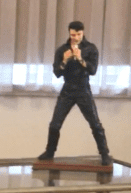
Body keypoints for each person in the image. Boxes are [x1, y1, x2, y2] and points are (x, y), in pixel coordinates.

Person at [38, 21, 111, 165]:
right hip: (67, 89)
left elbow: (93, 70)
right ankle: (50, 152)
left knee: (95, 124)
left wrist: (80, 59)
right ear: (69, 33)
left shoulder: (90, 49)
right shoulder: (62, 50)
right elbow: (57, 73)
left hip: (83, 89)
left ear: (83, 33)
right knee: (55, 124)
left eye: (78, 34)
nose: (76, 37)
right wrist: (65, 60)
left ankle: (104, 154)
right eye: (73, 35)